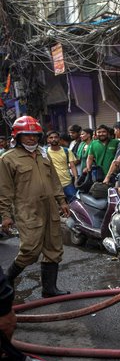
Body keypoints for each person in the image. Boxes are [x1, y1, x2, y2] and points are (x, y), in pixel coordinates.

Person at [0, 116, 71, 297]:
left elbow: (54, 180)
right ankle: (6, 281)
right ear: (18, 136)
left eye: (35, 135)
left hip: (50, 208)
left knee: (54, 248)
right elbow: (4, 190)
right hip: (27, 210)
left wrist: (62, 201)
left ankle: (49, 289)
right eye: (27, 135)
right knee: (30, 250)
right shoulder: (7, 159)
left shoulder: (43, 154)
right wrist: (5, 215)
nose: (32, 139)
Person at [46, 130, 78, 202]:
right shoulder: (44, 152)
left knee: (74, 202)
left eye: (56, 137)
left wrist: (76, 178)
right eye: (51, 137)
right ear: (48, 140)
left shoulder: (67, 151)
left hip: (67, 183)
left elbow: (72, 166)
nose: (53, 139)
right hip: (52, 185)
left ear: (59, 139)